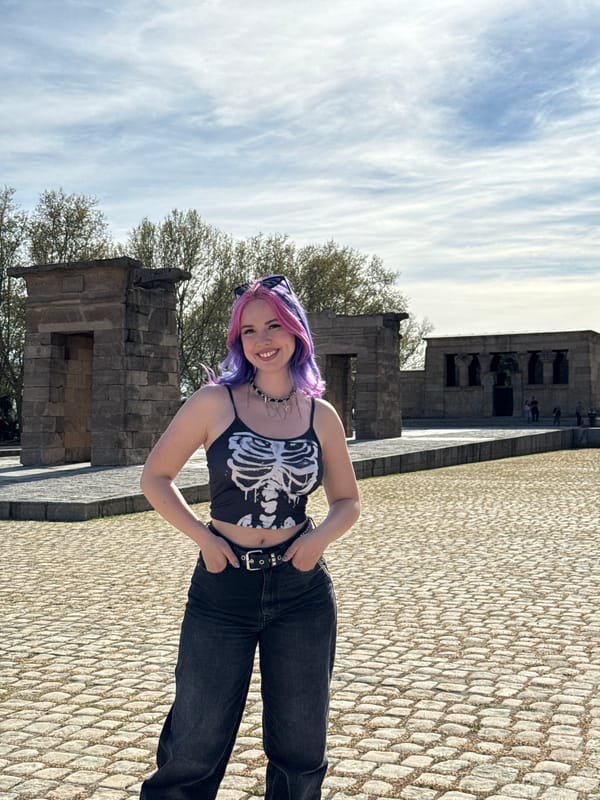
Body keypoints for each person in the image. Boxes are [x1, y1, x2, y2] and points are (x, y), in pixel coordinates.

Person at [139, 274, 361, 800]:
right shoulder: (215, 402)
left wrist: (317, 542)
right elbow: (155, 478)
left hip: (301, 590)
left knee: (302, 746)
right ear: (238, 341)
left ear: (296, 332)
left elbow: (348, 501)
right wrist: (203, 538)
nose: (262, 339)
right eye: (249, 330)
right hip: (223, 587)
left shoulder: (321, 415)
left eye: (274, 326)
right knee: (195, 736)